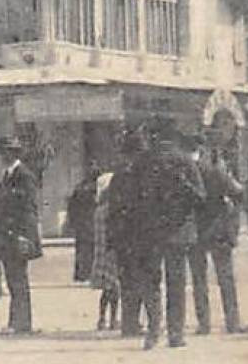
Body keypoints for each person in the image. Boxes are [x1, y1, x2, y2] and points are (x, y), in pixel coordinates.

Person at [136, 122, 205, 349]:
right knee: (176, 282)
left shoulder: (144, 162)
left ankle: (153, 331)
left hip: (150, 231)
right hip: (179, 231)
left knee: (151, 281)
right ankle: (175, 334)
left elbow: (132, 199)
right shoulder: (185, 161)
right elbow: (200, 197)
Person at [188, 133, 248, 335]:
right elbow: (238, 192)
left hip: (196, 229)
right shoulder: (215, 169)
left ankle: (204, 324)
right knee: (225, 277)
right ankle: (232, 322)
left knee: (198, 279)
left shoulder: (187, 169)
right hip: (218, 227)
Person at [0, 136, 42, 335]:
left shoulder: (24, 175)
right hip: (7, 235)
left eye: (9, 151)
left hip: (18, 235)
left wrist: (25, 236)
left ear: (15, 153)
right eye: (4, 151)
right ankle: (18, 321)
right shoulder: (7, 175)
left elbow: (29, 208)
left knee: (18, 279)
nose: (5, 155)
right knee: (14, 279)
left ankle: (21, 323)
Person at [106, 128, 150, 338]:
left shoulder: (118, 176)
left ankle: (129, 323)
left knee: (127, 281)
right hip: (139, 236)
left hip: (123, 237)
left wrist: (111, 239)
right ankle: (134, 323)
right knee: (141, 279)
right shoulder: (143, 175)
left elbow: (111, 210)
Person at [88, 168, 122, 331]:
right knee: (114, 289)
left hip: (101, 251)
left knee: (107, 290)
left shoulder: (98, 210)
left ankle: (102, 318)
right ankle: (113, 319)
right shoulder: (111, 210)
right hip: (111, 251)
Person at [65, 162, 102, 283]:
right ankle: (91, 273)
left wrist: (72, 221)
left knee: (83, 250)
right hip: (91, 222)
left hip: (83, 223)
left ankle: (82, 274)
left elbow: (72, 206)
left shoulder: (80, 187)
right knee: (92, 249)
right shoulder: (97, 188)